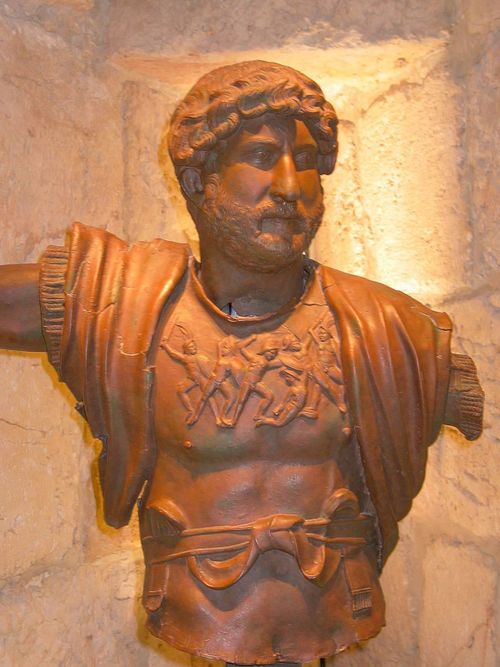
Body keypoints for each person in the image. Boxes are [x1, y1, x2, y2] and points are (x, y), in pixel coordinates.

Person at [0, 61, 483, 664]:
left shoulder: (392, 331)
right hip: (196, 611)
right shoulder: (118, 302)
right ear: (199, 179)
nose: (289, 186)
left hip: (336, 603)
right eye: (260, 156)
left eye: (305, 163)